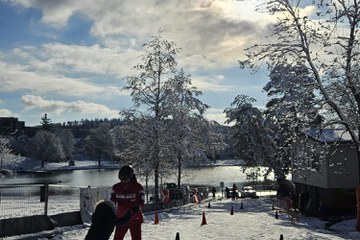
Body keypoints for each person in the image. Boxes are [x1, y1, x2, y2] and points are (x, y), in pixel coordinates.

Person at [111, 165, 145, 240]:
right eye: (121, 177)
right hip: (121, 218)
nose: (123, 179)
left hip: (135, 218)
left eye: (125, 177)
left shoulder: (138, 187)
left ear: (131, 176)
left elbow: (141, 202)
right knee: (117, 238)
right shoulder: (116, 187)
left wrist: (134, 209)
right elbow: (112, 201)